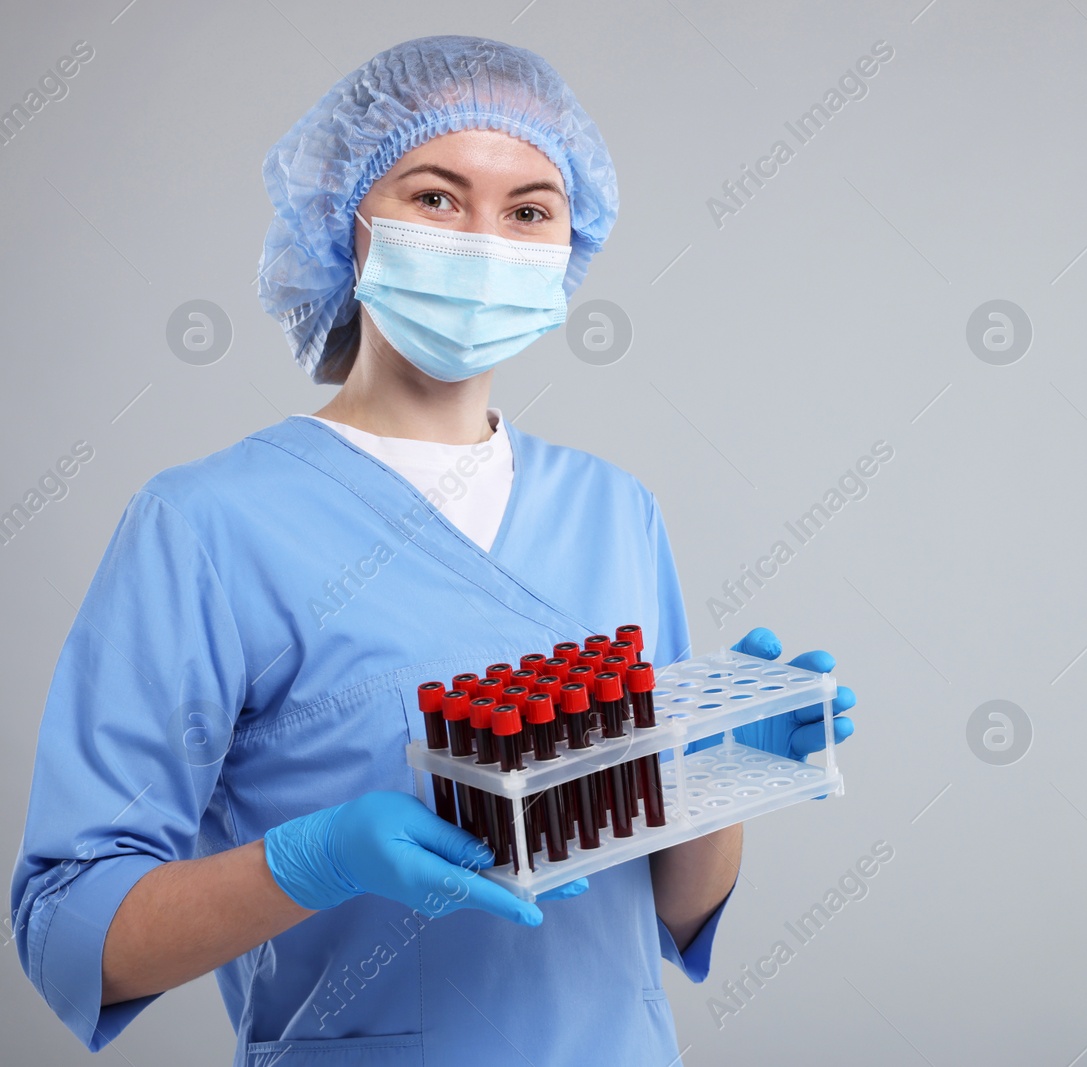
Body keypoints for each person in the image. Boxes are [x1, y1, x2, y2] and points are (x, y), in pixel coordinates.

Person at [10, 35, 856, 1065]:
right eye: (437, 197)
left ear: (566, 246)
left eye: (529, 210)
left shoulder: (613, 508)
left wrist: (723, 775)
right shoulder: (208, 525)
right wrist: (309, 860)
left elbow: (675, 912)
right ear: (348, 222)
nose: (486, 241)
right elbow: (70, 931)